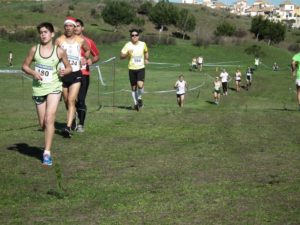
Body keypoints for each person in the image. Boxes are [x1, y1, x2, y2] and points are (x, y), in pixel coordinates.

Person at [22, 22, 72, 166]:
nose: (43, 34)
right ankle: (47, 140)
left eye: (45, 32)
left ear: (52, 34)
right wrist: (33, 72)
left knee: (50, 118)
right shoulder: (34, 50)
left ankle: (47, 153)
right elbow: (24, 66)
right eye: (41, 32)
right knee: (43, 123)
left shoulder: (59, 51)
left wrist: (64, 71)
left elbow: (68, 67)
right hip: (38, 89)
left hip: (54, 88)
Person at [55, 17, 90, 137]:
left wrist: (85, 57)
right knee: (67, 101)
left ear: (74, 27)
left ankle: (68, 127)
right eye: (66, 26)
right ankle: (72, 116)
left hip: (76, 73)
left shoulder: (80, 40)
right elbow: (54, 55)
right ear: (64, 27)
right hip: (63, 74)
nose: (69, 28)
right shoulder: (59, 40)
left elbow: (87, 49)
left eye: (71, 26)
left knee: (71, 100)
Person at [74, 18, 100, 132]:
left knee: (80, 99)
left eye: (78, 26)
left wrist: (91, 61)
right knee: (70, 100)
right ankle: (72, 119)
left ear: (82, 28)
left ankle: (81, 124)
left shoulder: (88, 41)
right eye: (74, 26)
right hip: (70, 74)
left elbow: (97, 55)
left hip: (84, 74)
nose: (76, 28)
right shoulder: (66, 41)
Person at [120, 29, 149, 111]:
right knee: (133, 87)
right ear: (131, 37)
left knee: (140, 85)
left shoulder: (143, 44)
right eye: (132, 35)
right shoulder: (128, 45)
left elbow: (146, 52)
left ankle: (139, 98)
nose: (134, 36)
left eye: (136, 35)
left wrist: (146, 58)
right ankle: (136, 103)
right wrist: (127, 54)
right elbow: (121, 56)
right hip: (131, 68)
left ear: (138, 36)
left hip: (140, 68)